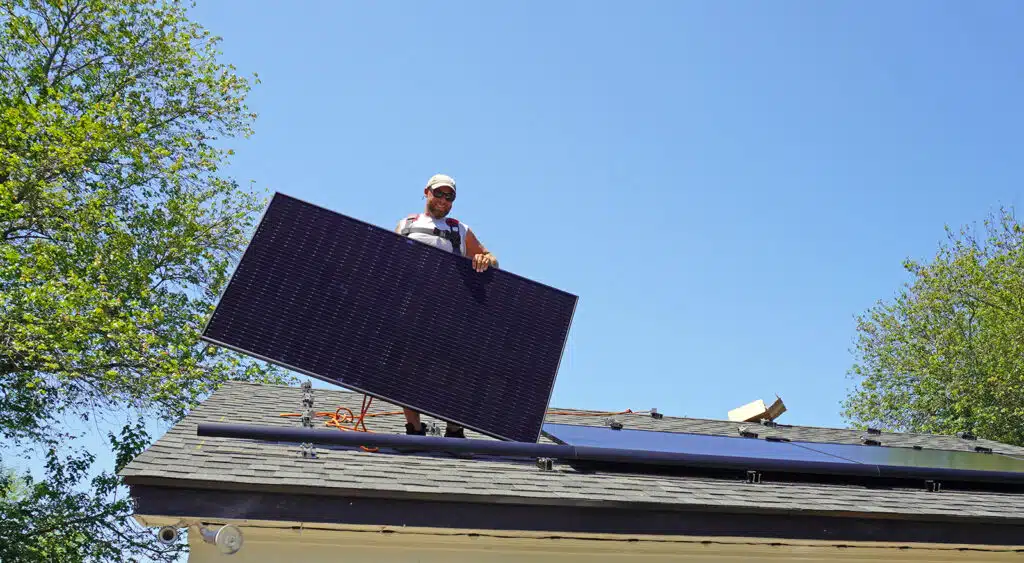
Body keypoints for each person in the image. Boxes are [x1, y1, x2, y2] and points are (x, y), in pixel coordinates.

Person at [395, 173, 499, 438]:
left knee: (454, 370)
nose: (443, 200)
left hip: (448, 311)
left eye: (449, 196)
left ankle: (454, 431)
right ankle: (414, 430)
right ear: (427, 192)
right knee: (406, 368)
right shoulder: (407, 224)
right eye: (439, 193)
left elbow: (490, 258)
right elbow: (389, 265)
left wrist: (486, 260)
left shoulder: (459, 229)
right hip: (412, 308)